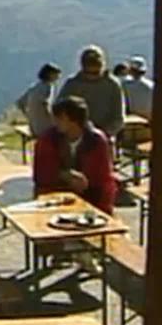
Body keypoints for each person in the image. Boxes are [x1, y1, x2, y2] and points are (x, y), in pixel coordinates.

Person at [32, 96, 117, 274]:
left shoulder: (96, 140)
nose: (55, 122)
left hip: (91, 195)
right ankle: (70, 249)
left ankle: (77, 248)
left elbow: (103, 176)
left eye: (59, 118)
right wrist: (63, 175)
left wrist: (84, 181)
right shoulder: (49, 138)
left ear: (71, 119)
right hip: (56, 193)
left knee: (93, 215)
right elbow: (41, 171)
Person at [56, 45, 126, 138]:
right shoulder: (72, 84)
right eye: (88, 73)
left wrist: (102, 134)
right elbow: (58, 111)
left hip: (104, 137)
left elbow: (119, 118)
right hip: (74, 136)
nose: (92, 77)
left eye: (95, 73)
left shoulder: (112, 84)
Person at [15, 63, 62, 138]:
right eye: (57, 74)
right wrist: (54, 120)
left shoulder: (34, 87)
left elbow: (19, 103)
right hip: (45, 128)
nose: (58, 77)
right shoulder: (49, 86)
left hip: (34, 127)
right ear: (50, 74)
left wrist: (29, 117)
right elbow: (45, 104)